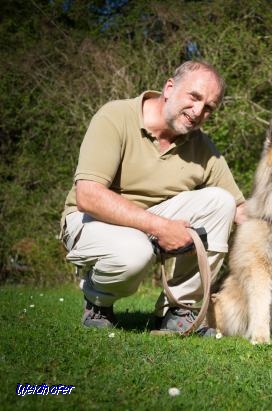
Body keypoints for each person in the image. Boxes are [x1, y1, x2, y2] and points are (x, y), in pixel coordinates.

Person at [59, 60, 246, 332]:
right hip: (90, 220)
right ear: (169, 88)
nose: (198, 111)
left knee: (222, 202)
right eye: (194, 97)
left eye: (208, 107)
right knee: (135, 251)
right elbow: (88, 196)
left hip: (149, 224)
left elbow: (239, 209)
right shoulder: (115, 116)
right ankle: (98, 301)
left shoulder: (202, 147)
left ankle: (179, 310)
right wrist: (159, 227)